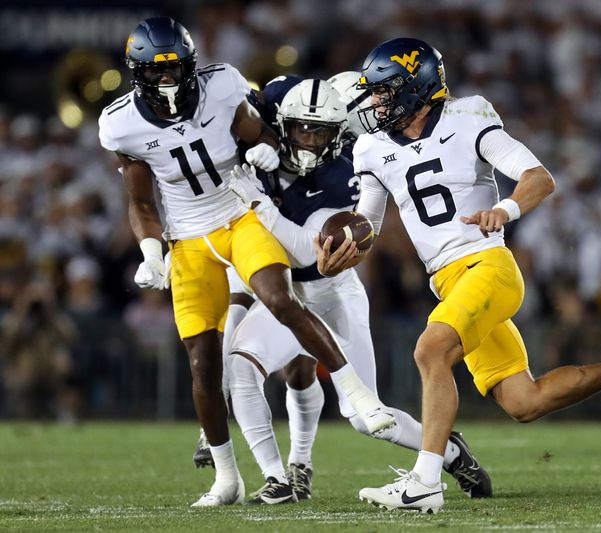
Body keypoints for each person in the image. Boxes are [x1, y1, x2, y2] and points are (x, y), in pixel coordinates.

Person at [315, 37, 601, 514]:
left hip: (488, 267)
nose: (375, 103)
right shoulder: (372, 148)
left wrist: (504, 209)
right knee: (525, 401)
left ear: (415, 86)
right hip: (450, 282)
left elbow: (539, 177)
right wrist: (344, 251)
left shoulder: (468, 117)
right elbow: (367, 227)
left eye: (384, 91)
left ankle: (425, 483)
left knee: (430, 349)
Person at [97, 17, 394, 507]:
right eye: (157, 71)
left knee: (280, 299)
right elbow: (143, 204)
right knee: (203, 362)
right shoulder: (120, 124)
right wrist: (151, 251)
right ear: (137, 73)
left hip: (240, 215)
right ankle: (226, 477)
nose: (168, 80)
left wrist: (264, 151)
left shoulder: (223, 85)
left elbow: (264, 137)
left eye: (176, 69)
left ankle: (353, 394)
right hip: (188, 239)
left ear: (191, 65)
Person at [201, 76, 492, 504]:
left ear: (339, 136)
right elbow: (236, 102)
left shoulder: (343, 175)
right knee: (242, 368)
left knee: (363, 416)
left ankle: (450, 452)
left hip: (331, 292)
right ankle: (278, 477)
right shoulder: (281, 102)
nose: (310, 140)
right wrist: (254, 139)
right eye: (302, 129)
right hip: (285, 298)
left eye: (322, 134)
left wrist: (258, 203)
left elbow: (306, 253)